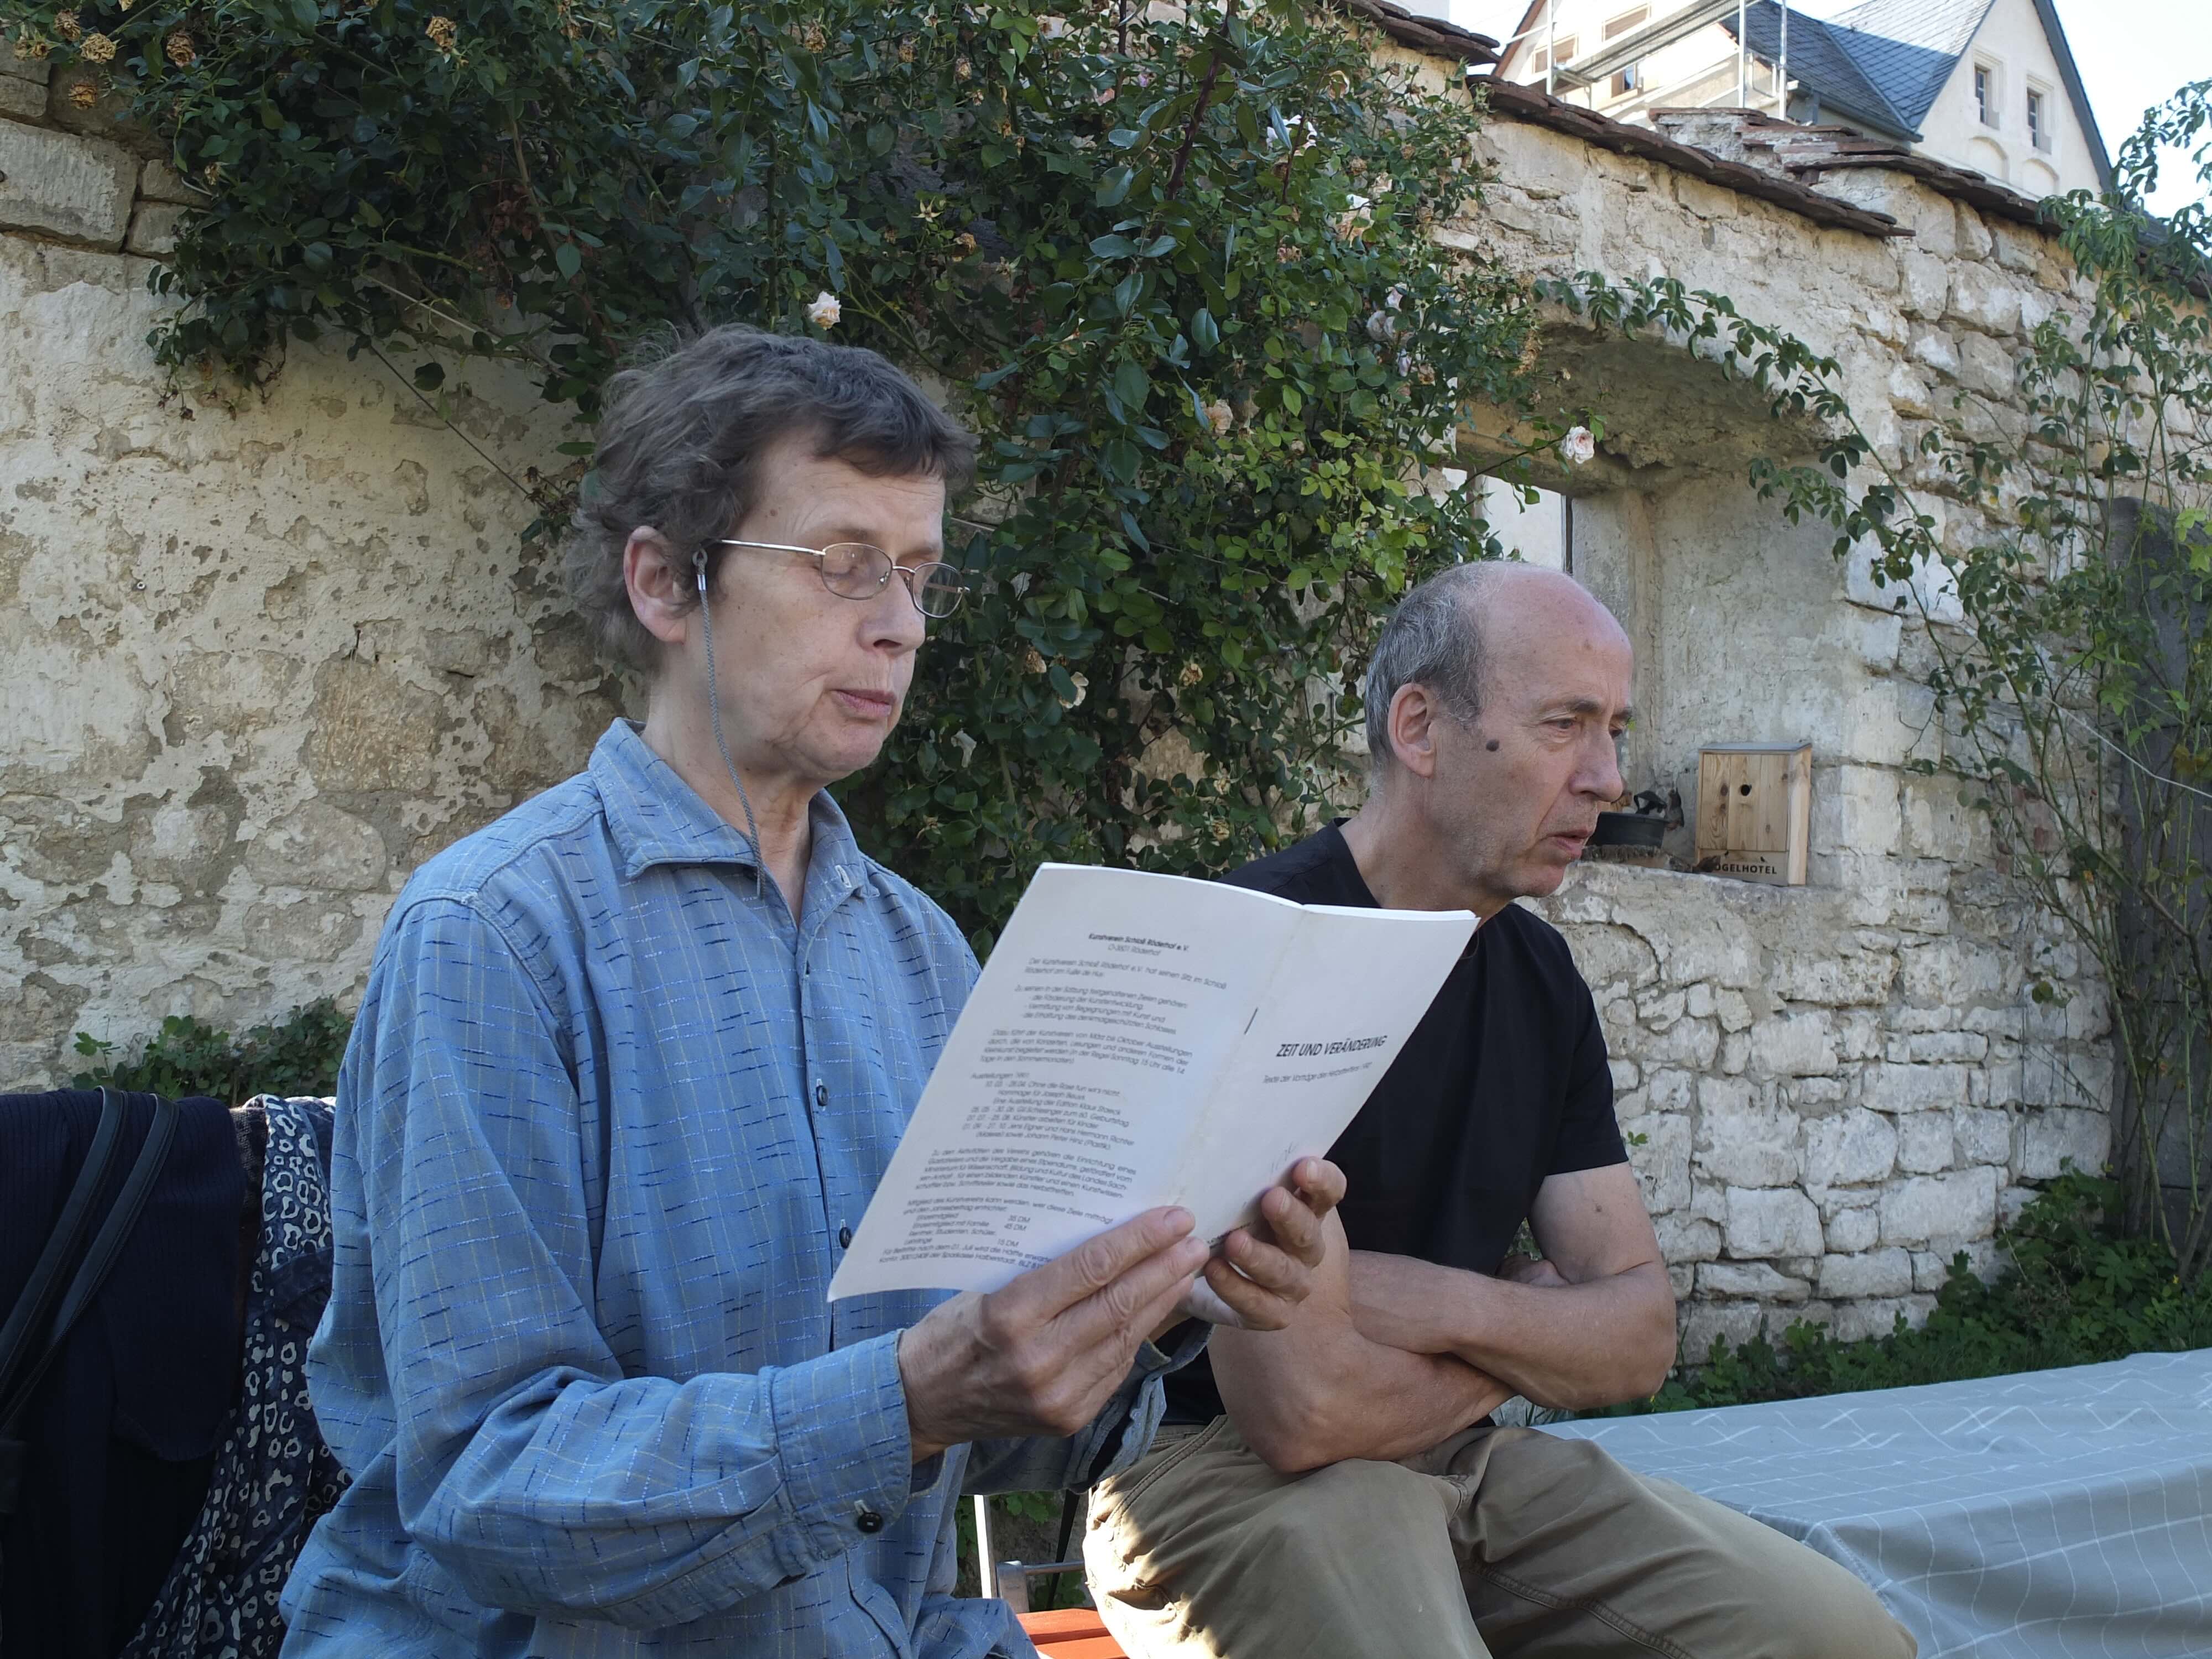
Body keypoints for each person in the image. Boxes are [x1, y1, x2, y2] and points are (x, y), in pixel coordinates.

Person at [279, 326, 1342, 1658]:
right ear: (667, 583)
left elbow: (988, 1441)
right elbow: (483, 1483)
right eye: (843, 564)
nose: (899, 624)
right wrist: (899, 1402)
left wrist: (1157, 1298)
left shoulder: (920, 954)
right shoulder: (493, 936)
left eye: (919, 575)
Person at [1084, 563, 1916, 1658]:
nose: (1608, 779)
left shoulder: (1539, 978)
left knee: (1838, 1638)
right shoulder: (1260, 953)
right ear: (1419, 728)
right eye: (1565, 725)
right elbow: (1304, 1414)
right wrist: (1531, 1332)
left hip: (1469, 1466)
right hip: (1216, 1474)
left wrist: (1433, 1301)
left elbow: (1639, 1338)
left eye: (1614, 730)